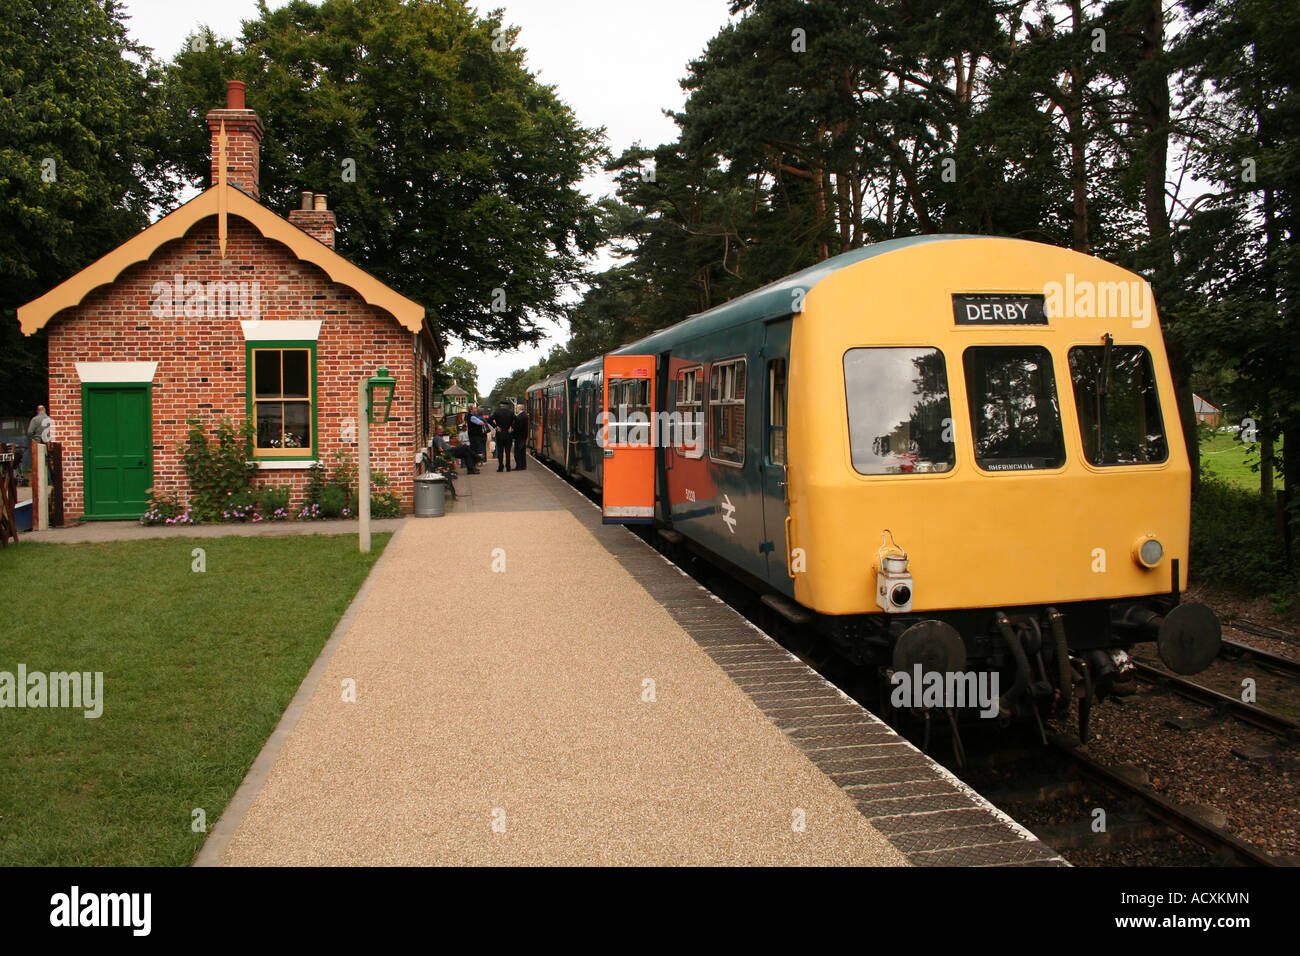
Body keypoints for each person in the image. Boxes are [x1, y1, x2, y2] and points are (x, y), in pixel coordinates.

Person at [490, 401, 516, 472]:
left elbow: (489, 420)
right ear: (506, 406)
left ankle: (500, 467)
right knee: (508, 452)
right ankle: (508, 467)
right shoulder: (511, 413)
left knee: (500, 452)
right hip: (508, 434)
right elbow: (516, 420)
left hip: (500, 434)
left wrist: (496, 426)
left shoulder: (497, 412)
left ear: (501, 406)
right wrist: (511, 426)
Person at [511, 406, 529, 470]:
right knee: (522, 452)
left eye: (516, 408)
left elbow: (517, 427)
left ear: (519, 409)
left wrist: (512, 433)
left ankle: (519, 466)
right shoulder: (524, 415)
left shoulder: (520, 416)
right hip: (523, 436)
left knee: (517, 452)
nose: (516, 409)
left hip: (519, 437)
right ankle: (523, 465)